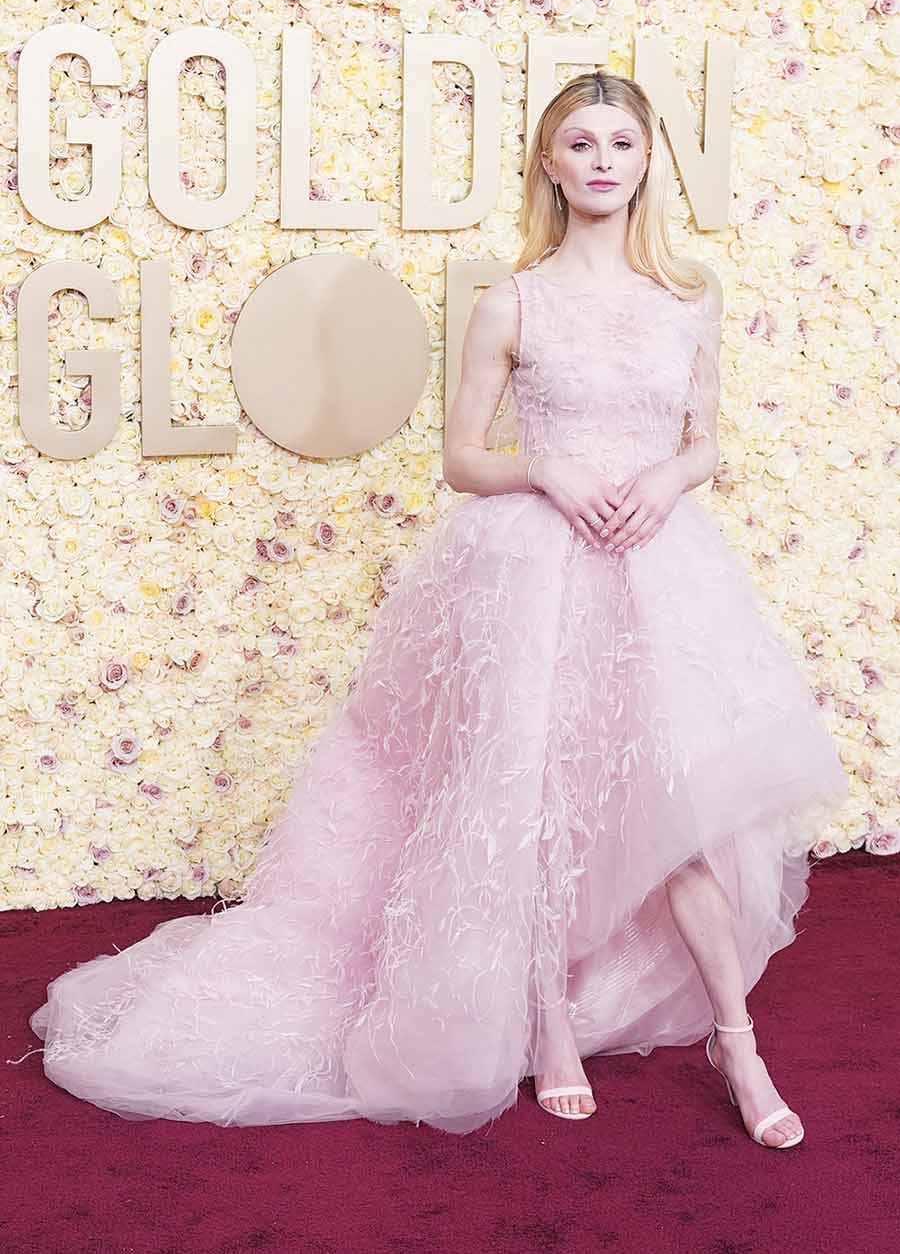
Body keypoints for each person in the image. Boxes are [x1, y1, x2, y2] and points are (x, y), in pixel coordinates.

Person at [17, 72, 848, 1145]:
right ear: (549, 164)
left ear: (649, 162)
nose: (602, 160)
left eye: (622, 143)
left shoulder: (690, 294)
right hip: (538, 573)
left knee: (678, 816)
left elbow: (705, 440)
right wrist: (544, 467)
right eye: (581, 142)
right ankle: (547, 1020)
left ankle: (739, 1046)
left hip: (658, 573)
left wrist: (667, 479)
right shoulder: (515, 301)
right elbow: (463, 459)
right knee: (538, 807)